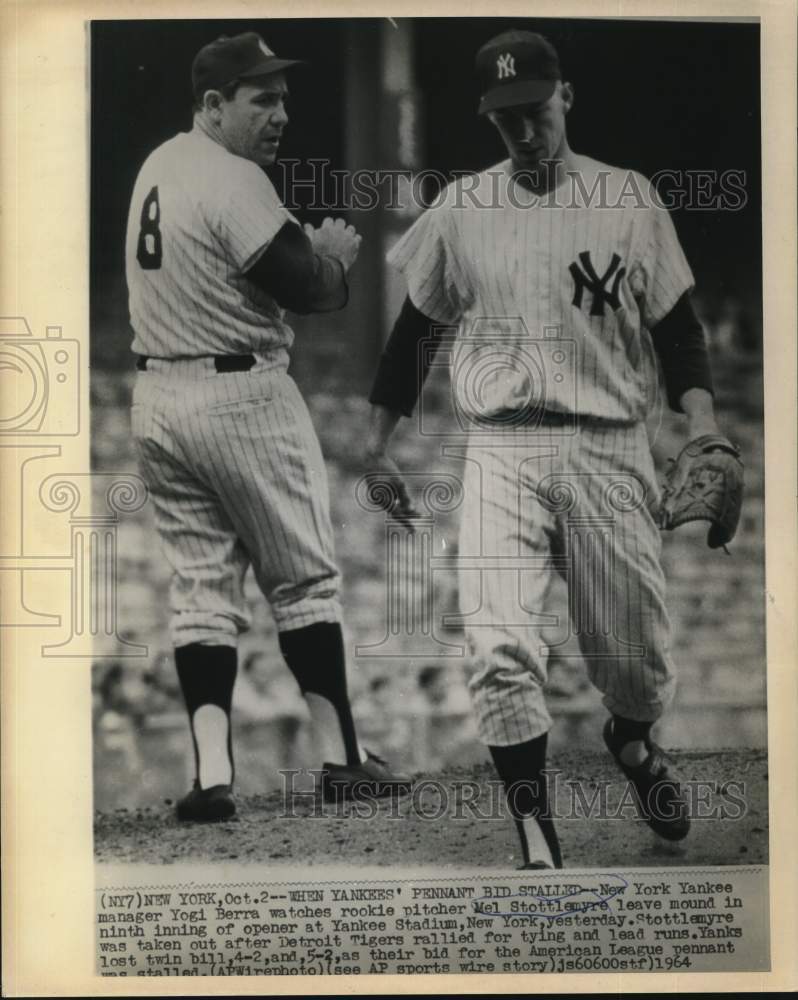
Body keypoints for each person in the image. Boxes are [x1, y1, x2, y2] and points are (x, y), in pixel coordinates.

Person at [365, 30, 737, 868]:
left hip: (609, 444)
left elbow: (678, 332)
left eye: (534, 111)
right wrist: (378, 444)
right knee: (498, 647)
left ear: (564, 96)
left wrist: (702, 423)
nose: (523, 131)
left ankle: (634, 744)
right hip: (499, 446)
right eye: (505, 120)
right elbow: (415, 331)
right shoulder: (463, 208)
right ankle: (534, 830)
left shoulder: (629, 199)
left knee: (637, 665)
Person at [125, 32, 409, 822]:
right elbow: (311, 291)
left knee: (202, 593)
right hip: (240, 396)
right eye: (261, 98)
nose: (280, 112)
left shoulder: (159, 163)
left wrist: (305, 258)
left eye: (283, 97)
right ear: (213, 106)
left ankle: (212, 776)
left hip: (157, 398)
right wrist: (334, 256)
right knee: (305, 581)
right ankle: (342, 760)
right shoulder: (235, 177)